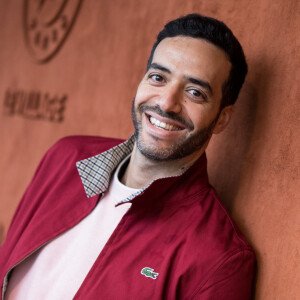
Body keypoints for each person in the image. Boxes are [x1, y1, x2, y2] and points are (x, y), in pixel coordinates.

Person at [0, 13, 256, 299]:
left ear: (222, 119)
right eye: (158, 77)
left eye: (195, 92)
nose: (166, 103)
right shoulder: (66, 158)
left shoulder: (218, 258)